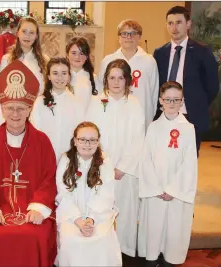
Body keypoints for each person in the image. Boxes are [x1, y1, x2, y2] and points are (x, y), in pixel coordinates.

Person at [0, 60, 57, 267]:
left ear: (29, 110)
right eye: (10, 108)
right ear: (2, 109)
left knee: (35, 236)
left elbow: (49, 179)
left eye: (21, 108)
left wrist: (38, 207)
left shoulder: (42, 141)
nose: (15, 114)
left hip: (32, 209)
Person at [87, 59, 145, 258]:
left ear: (128, 80)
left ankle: (123, 251)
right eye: (112, 77)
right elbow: (90, 133)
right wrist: (101, 163)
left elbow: (138, 138)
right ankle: (101, 250)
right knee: (101, 208)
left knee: (125, 210)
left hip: (125, 171)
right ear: (106, 79)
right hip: (101, 166)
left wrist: (122, 167)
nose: (116, 82)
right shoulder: (97, 102)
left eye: (121, 78)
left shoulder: (135, 104)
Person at [138, 81, 197, 267]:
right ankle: (152, 260)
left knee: (173, 231)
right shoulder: (153, 127)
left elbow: (189, 164)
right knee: (154, 229)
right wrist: (156, 187)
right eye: (168, 99)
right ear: (160, 101)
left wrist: (172, 189)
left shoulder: (188, 129)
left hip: (176, 193)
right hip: (155, 191)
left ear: (182, 102)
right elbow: (146, 159)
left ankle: (170, 261)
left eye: (176, 100)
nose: (172, 103)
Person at [153, 6, 220, 154]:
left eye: (178, 22)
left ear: (188, 24)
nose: (174, 27)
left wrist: (197, 102)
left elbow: (213, 86)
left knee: (188, 162)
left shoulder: (203, 52)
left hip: (192, 116)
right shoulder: (159, 53)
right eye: (170, 23)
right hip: (164, 115)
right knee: (164, 158)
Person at [55, 122, 121, 267]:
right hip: (71, 214)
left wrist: (90, 220)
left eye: (92, 140)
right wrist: (78, 220)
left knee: (101, 238)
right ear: (75, 140)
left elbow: (106, 194)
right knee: (71, 239)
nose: (88, 144)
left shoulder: (105, 160)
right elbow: (63, 193)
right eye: (82, 139)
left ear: (98, 141)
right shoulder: (66, 159)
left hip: (98, 214)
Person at [99, 19, 159, 129]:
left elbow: (154, 94)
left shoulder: (149, 61)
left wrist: (149, 118)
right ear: (119, 37)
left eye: (133, 33)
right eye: (124, 33)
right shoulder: (108, 60)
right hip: (113, 115)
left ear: (139, 37)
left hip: (141, 116)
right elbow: (101, 90)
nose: (128, 37)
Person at [30, 57, 86, 162]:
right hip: (44, 157)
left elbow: (81, 134)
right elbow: (34, 133)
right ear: (49, 77)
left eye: (64, 73)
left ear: (69, 76)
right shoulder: (40, 102)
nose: (59, 78)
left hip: (69, 159)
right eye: (55, 73)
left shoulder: (76, 103)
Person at [0, 17, 49, 95]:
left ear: (36, 36)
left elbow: (48, 87)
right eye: (24, 31)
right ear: (17, 33)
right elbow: (2, 87)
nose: (27, 36)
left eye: (32, 32)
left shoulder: (45, 60)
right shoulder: (6, 59)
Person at [66, 37, 101, 112]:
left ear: (87, 57)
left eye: (82, 53)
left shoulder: (93, 78)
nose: (77, 57)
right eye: (74, 53)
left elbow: (99, 104)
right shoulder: (61, 77)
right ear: (67, 54)